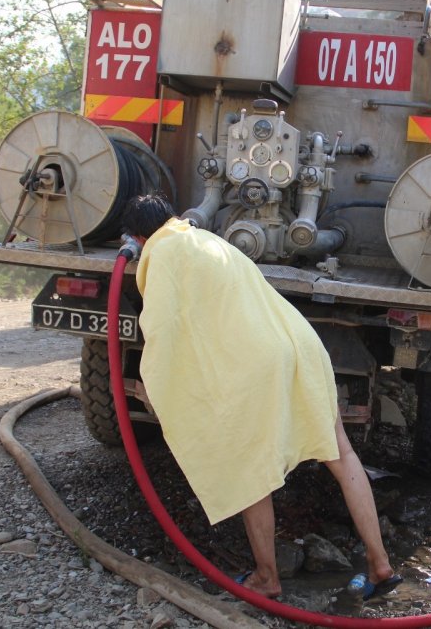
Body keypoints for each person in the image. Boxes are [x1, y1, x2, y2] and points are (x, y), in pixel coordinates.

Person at [121, 193, 401, 600]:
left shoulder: (163, 252)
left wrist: (158, 386)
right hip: (300, 344)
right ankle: (380, 564)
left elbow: (165, 329)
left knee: (252, 473)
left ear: (139, 237)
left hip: (259, 363)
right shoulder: (207, 239)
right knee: (340, 455)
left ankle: (267, 577)